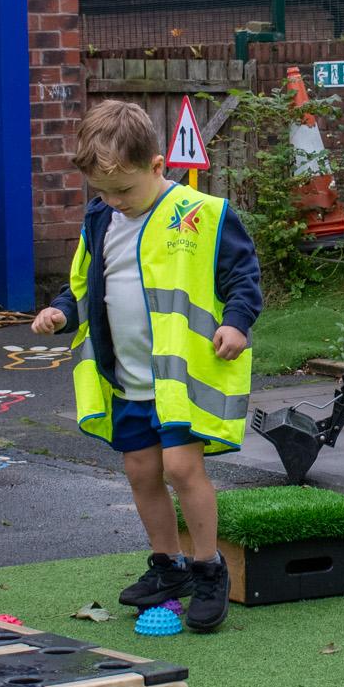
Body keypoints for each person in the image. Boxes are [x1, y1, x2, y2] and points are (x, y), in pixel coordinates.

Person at [32, 101, 261, 633]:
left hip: (179, 378)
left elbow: (243, 277)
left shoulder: (201, 214)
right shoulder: (100, 218)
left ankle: (208, 568)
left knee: (182, 469)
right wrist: (61, 312)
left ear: (158, 166)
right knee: (141, 472)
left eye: (124, 191)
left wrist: (237, 322)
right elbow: (86, 284)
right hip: (129, 378)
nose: (114, 202)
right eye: (103, 193)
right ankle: (167, 566)